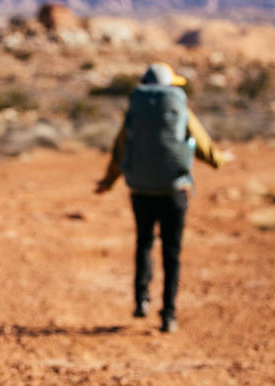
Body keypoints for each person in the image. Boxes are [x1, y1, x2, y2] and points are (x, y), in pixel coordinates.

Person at [95, 62, 230, 333]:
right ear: (170, 85)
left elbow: (120, 148)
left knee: (144, 242)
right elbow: (203, 145)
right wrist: (219, 161)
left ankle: (141, 299)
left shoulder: (136, 110)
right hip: (174, 190)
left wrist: (108, 182)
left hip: (141, 190)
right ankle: (169, 314)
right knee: (172, 252)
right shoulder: (179, 107)